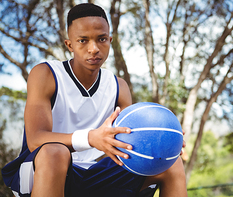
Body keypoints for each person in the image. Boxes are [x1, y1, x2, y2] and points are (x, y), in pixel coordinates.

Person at [1, 3, 187, 197]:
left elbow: (128, 138)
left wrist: (165, 137)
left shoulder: (119, 86)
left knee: (171, 162)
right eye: (83, 40)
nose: (93, 48)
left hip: (95, 174)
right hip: (44, 170)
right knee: (55, 152)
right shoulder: (46, 74)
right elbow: (36, 140)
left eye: (101, 39)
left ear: (110, 40)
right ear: (70, 44)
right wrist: (90, 138)